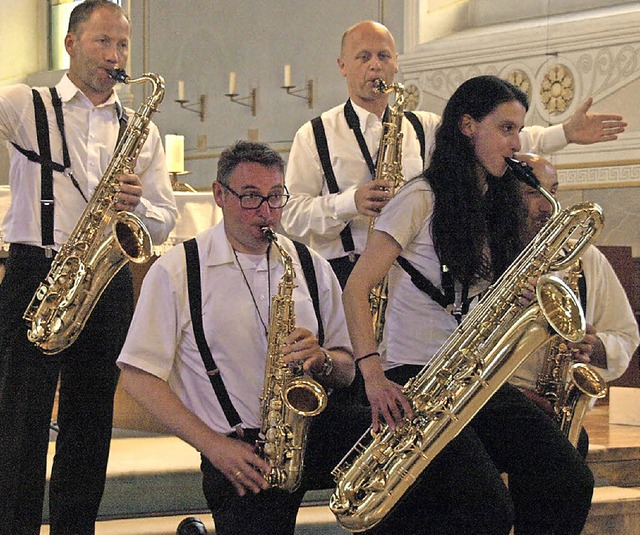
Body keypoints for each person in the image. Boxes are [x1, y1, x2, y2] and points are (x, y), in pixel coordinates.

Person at [342, 75, 594, 534]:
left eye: (519, 130)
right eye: (506, 129)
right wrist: (373, 378)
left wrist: (520, 295)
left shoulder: (499, 204)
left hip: (475, 376)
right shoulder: (420, 197)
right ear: (466, 126)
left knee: (569, 480)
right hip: (415, 378)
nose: (516, 144)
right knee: (485, 510)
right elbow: (356, 289)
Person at [116, 141, 361, 535]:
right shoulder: (179, 270)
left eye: (275, 197)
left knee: (413, 456)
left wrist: (323, 359)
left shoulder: (309, 264)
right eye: (250, 198)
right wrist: (213, 446)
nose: (266, 212)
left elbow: (346, 370)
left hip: (313, 431)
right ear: (219, 195)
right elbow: (138, 378)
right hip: (241, 453)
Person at [0, 1, 177, 533]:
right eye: (103, 42)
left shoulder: (140, 128)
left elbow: (164, 220)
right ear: (71, 44)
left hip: (107, 281)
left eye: (122, 44)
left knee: (91, 420)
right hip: (38, 272)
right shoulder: (23, 103)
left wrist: (138, 206)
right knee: (20, 422)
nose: (115, 55)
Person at [281, 20, 627, 288]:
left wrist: (564, 133)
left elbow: (491, 138)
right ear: (343, 65)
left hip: (408, 277)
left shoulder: (423, 125)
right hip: (341, 274)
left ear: (396, 64)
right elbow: (292, 214)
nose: (375, 66)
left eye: (383, 56)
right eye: (363, 57)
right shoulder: (314, 134)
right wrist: (349, 202)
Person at [509, 152, 640, 457]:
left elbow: (626, 335)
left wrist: (593, 346)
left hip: (562, 412)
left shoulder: (585, 258)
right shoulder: (482, 254)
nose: (547, 206)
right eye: (532, 192)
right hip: (499, 406)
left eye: (552, 192)